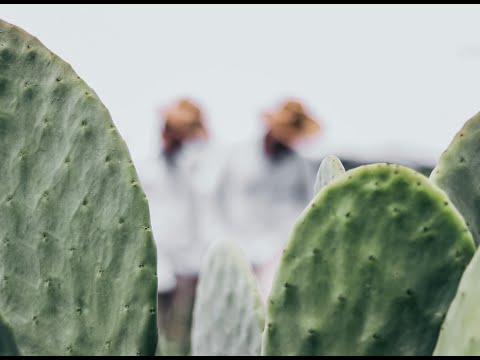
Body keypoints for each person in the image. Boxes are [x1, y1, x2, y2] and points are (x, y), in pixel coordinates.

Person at [215, 99, 322, 301]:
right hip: (236, 242)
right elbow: (218, 198)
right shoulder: (238, 156)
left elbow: (308, 205)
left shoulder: (299, 165)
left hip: (278, 251)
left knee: (267, 305)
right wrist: (222, 236)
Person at [138, 98, 217, 355]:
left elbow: (201, 217)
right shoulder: (146, 168)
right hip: (152, 263)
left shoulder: (196, 169)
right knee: (154, 332)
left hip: (189, 264)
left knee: (182, 336)